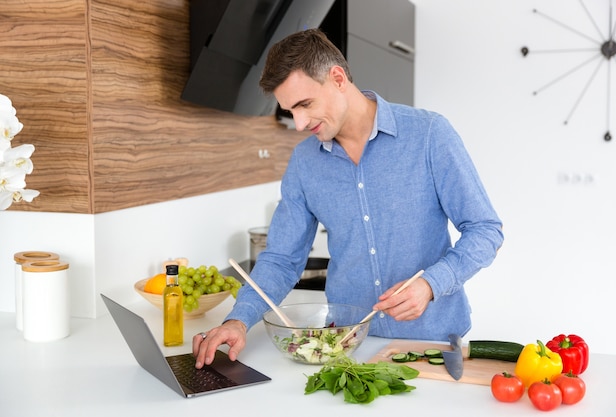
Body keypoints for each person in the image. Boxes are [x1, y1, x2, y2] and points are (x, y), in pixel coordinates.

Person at [192, 28, 503, 368]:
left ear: (337, 78)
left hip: (432, 340)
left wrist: (431, 284)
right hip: (347, 346)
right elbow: (281, 258)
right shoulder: (304, 163)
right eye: (289, 111)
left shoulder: (429, 134)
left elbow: (485, 229)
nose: (298, 124)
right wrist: (238, 320)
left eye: (305, 104)